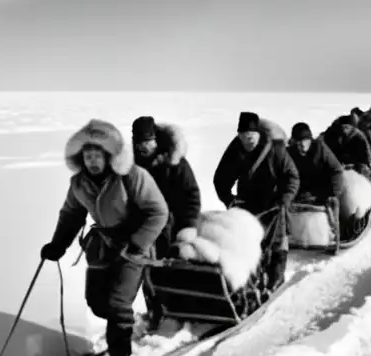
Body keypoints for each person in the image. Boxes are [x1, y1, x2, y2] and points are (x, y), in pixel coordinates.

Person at [40, 118, 169, 356]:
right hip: (101, 248)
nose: (93, 162)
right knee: (97, 302)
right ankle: (123, 325)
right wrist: (57, 244)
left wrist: (137, 243)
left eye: (98, 155)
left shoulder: (132, 176)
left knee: (117, 304)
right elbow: (71, 214)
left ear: (109, 156)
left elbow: (158, 212)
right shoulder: (79, 183)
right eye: (88, 156)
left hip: (133, 247)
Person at [212, 111, 300, 289]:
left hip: (274, 202)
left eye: (251, 135)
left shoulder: (276, 149)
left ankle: (276, 279)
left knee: (277, 241)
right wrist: (229, 200)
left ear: (259, 134)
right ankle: (250, 281)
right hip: (247, 202)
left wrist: (285, 198)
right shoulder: (235, 150)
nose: (248, 139)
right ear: (239, 136)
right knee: (248, 242)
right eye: (244, 135)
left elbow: (292, 177)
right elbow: (220, 179)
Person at [131, 116, 201, 259]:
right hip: (142, 231)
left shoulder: (176, 165)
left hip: (172, 229)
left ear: (156, 140)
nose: (143, 146)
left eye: (147, 141)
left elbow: (191, 196)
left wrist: (188, 226)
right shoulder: (131, 167)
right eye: (139, 142)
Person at [287, 122, 345, 205]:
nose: (303, 145)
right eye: (299, 142)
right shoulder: (290, 152)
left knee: (335, 204)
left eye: (306, 141)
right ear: (294, 142)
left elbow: (336, 170)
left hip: (322, 192)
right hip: (300, 193)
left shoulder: (320, 148)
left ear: (310, 140)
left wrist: (333, 194)